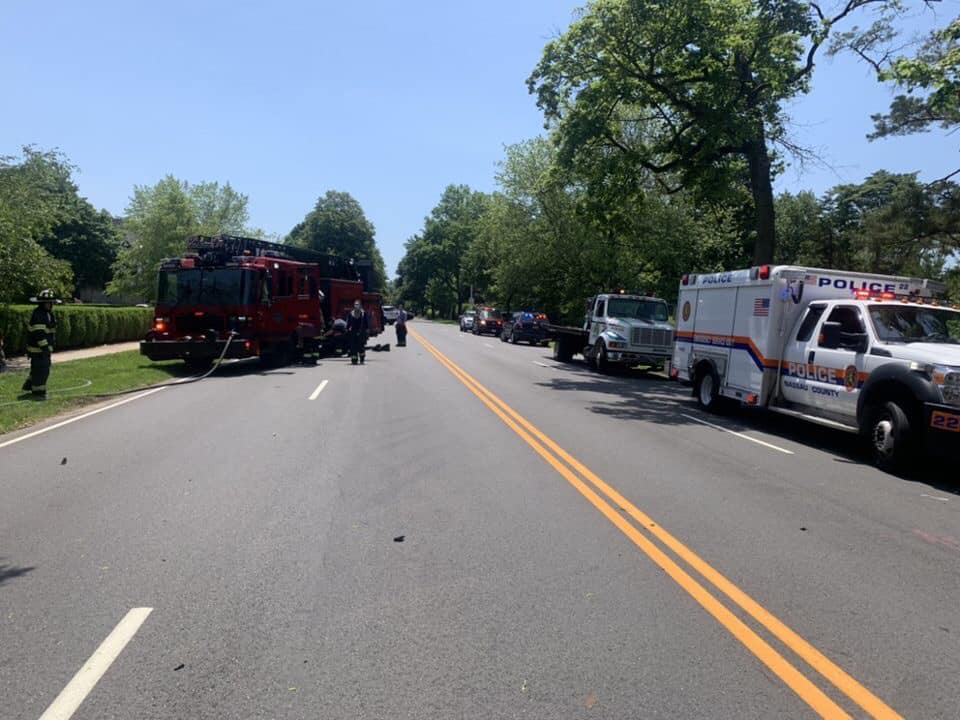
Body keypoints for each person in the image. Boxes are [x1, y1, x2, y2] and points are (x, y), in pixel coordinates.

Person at [21, 289, 60, 400]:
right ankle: (38, 392)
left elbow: (50, 331)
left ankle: (30, 385)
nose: (51, 305)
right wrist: (45, 347)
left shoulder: (48, 314)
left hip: (44, 349)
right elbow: (39, 334)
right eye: (48, 303)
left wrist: (51, 345)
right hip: (37, 350)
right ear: (42, 303)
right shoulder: (38, 314)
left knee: (40, 369)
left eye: (52, 302)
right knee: (42, 370)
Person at [346, 299, 369, 365]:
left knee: (361, 346)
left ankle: (362, 359)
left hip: (361, 332)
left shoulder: (363, 313)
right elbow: (349, 323)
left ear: (360, 305)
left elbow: (366, 323)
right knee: (353, 347)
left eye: (358, 304)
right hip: (353, 332)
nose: (356, 306)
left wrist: (367, 331)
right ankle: (354, 359)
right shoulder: (351, 313)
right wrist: (347, 329)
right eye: (355, 304)